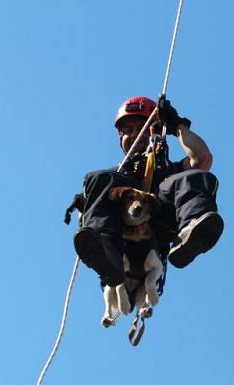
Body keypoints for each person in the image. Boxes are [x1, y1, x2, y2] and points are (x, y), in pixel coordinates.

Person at [74, 96, 223, 287]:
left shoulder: (167, 172)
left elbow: (202, 158)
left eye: (142, 127)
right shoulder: (112, 179)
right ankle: (106, 250)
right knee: (98, 178)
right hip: (122, 230)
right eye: (129, 130)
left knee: (195, 177)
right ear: (120, 136)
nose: (136, 134)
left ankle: (191, 231)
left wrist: (176, 125)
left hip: (157, 222)